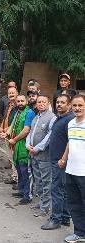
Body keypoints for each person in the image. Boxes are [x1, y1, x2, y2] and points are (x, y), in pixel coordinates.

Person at [41, 94, 74, 230]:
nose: (59, 104)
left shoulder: (70, 120)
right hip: (57, 160)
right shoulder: (59, 118)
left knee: (56, 190)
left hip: (61, 162)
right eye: (58, 102)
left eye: (62, 102)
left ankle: (55, 219)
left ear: (69, 105)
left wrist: (63, 159)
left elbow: (72, 142)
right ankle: (65, 217)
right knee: (63, 190)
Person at [58, 94, 85, 243]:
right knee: (74, 203)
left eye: (80, 105)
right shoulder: (71, 123)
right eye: (74, 105)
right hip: (71, 170)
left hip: (84, 172)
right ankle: (80, 233)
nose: (77, 108)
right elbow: (70, 142)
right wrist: (63, 158)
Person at [0, 94, 35, 204]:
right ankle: (21, 190)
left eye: (22, 101)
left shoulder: (29, 113)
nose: (20, 103)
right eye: (18, 101)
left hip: (24, 145)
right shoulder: (17, 112)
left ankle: (27, 195)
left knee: (25, 171)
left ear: (26, 101)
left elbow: (26, 130)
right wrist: (6, 133)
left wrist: (14, 139)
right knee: (19, 169)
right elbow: (12, 126)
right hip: (16, 146)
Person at [26, 95, 56, 217]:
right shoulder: (35, 117)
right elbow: (30, 133)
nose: (41, 104)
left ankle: (45, 208)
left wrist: (37, 148)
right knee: (38, 181)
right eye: (39, 102)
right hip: (34, 155)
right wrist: (28, 145)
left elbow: (49, 136)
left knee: (46, 182)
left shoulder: (52, 117)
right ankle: (42, 203)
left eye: (44, 102)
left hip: (44, 156)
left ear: (48, 103)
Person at [0, 86, 19, 184]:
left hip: (14, 135)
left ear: (17, 93)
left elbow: (16, 121)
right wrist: (2, 127)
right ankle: (14, 176)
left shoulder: (18, 106)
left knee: (15, 157)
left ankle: (17, 178)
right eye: (9, 93)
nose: (11, 95)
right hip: (6, 134)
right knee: (10, 157)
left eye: (13, 93)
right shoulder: (8, 105)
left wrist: (8, 130)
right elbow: (5, 117)